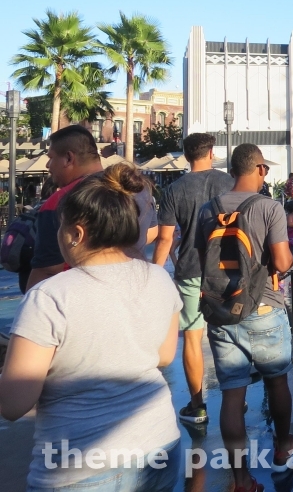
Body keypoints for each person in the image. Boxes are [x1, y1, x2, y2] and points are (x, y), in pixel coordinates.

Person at [0, 164, 181, 491]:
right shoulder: (159, 278)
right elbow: (165, 356)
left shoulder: (49, 297)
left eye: (60, 226)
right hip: (158, 445)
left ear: (77, 233)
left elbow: (13, 404)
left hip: (80, 463)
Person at [197, 144, 293, 491]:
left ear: (232, 171)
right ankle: (282, 450)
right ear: (261, 169)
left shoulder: (208, 210)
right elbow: (281, 263)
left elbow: (202, 261)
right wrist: (290, 260)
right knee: (277, 381)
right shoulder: (269, 207)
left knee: (232, 395)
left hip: (221, 312)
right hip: (263, 307)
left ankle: (241, 480)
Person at [152, 131, 234, 425]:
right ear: (211, 153)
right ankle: (235, 400)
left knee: (192, 337)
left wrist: (153, 274)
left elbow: (165, 239)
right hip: (227, 268)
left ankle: (197, 405)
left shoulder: (174, 190)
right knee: (228, 334)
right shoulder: (229, 183)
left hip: (190, 269)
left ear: (186, 157)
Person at [27, 126, 157, 291]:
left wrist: (31, 301)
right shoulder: (136, 188)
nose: (48, 165)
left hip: (83, 295)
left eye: (51, 158)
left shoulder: (59, 202)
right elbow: (152, 233)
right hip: (138, 288)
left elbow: (47, 270)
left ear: (68, 158)